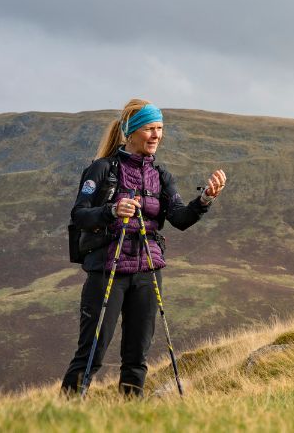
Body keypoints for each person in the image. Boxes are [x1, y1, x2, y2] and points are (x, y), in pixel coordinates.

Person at [60, 99, 227, 397]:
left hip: (148, 273)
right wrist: (111, 211)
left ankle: (131, 419)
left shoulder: (161, 176)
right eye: (150, 128)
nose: (157, 135)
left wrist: (205, 200)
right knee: (91, 354)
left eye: (160, 129)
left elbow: (179, 218)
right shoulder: (102, 170)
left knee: (137, 357)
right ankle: (61, 417)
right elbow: (79, 214)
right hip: (106, 271)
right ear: (132, 132)